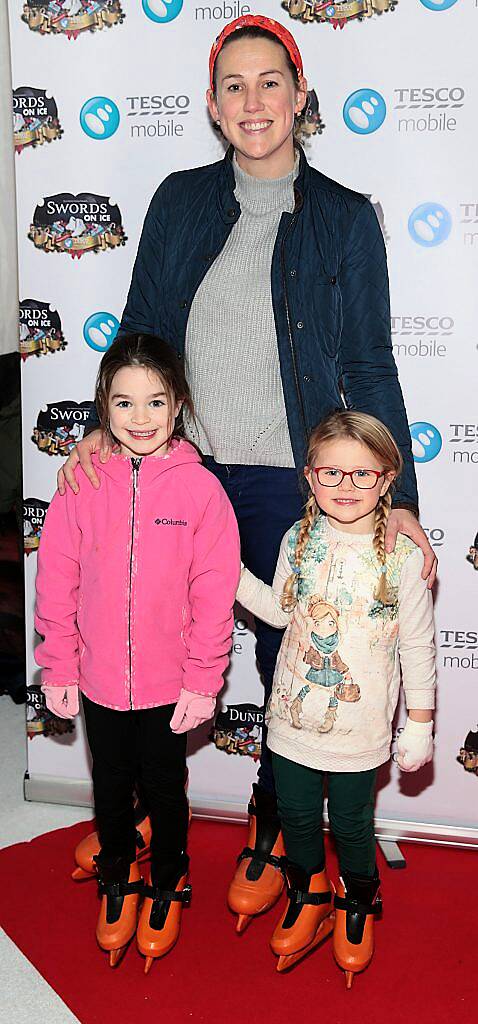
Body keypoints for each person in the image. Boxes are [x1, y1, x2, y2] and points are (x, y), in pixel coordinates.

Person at [56, 14, 437, 924]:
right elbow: (141, 326)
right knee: (138, 636)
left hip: (286, 482)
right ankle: (139, 811)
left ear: (300, 96)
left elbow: (371, 363)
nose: (253, 100)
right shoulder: (179, 200)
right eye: (234, 85)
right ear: (212, 105)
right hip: (180, 469)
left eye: (271, 81)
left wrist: (402, 500)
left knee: (287, 658)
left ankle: (275, 822)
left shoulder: (343, 219)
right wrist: (103, 428)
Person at [35, 334, 240, 972]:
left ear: (178, 404)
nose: (140, 417)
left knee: (164, 784)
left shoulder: (202, 491)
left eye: (155, 401)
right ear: (104, 406)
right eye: (124, 403)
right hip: (96, 679)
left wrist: (205, 678)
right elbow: (57, 578)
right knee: (111, 783)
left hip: (169, 682)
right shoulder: (80, 481)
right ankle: (117, 876)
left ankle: (170, 879)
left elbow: (215, 594)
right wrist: (58, 663)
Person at [236, 410, 436, 985]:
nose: (345, 487)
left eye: (362, 475)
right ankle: (309, 893)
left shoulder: (401, 557)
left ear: (388, 477)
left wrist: (418, 723)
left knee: (351, 824)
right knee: (297, 816)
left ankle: (359, 900)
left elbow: (418, 647)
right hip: (293, 720)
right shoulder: (296, 538)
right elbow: (277, 611)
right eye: (330, 473)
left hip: (362, 727)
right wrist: (226, 566)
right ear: (308, 475)